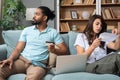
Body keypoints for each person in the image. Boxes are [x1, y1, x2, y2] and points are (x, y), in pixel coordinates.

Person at [0, 6, 68, 80]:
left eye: (37, 14)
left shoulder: (53, 32)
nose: (34, 16)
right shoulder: (27, 30)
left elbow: (64, 50)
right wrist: (10, 59)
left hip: (38, 65)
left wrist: (54, 50)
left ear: (44, 18)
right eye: (34, 14)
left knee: (34, 77)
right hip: (22, 61)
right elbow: (18, 49)